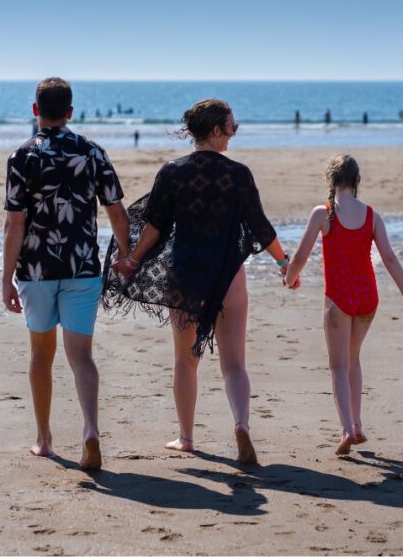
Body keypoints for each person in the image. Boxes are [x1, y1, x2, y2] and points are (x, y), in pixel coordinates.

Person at [104, 98, 292, 464]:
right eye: (232, 126)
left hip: (186, 275)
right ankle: (240, 425)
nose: (235, 132)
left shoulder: (172, 172)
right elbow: (259, 225)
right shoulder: (238, 174)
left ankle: (186, 438)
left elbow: (154, 227)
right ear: (217, 130)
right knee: (235, 362)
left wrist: (132, 260)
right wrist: (284, 261)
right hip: (229, 276)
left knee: (185, 361)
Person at [2, 77, 132, 471]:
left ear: (35, 110)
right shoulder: (93, 152)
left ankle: (43, 440)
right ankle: (91, 430)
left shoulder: (22, 157)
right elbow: (116, 212)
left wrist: (5, 277)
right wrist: (127, 256)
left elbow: (14, 225)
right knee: (82, 356)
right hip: (82, 267)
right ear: (71, 112)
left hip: (37, 270)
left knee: (42, 354)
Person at [283, 154, 403, 456]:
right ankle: (357, 424)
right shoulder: (372, 216)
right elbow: (389, 258)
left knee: (338, 365)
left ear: (330, 181)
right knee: (353, 358)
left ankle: (347, 429)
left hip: (339, 298)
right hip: (367, 297)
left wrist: (290, 278)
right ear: (357, 181)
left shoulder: (324, 214)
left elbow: (301, 256)